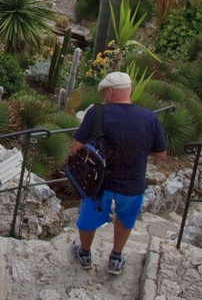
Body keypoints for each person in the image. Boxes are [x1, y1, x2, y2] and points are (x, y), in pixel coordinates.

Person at [70, 71, 168, 275]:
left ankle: (85, 254)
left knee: (88, 219)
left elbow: (75, 148)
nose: (104, 97)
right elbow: (162, 153)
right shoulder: (149, 117)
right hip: (132, 183)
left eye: (105, 92)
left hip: (98, 184)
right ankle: (115, 258)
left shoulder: (97, 113)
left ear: (112, 92)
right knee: (125, 218)